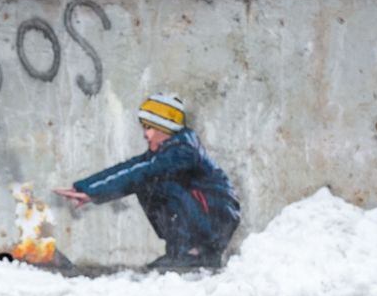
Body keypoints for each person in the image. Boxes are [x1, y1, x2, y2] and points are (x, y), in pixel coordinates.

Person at [54, 93, 241, 269]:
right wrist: (86, 188)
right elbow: (129, 168)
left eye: (149, 127)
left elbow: (141, 173)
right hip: (206, 217)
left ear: (165, 128)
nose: (145, 134)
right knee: (147, 181)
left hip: (216, 222)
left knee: (156, 182)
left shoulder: (182, 152)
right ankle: (180, 251)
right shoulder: (167, 150)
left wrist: (93, 192)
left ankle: (194, 253)